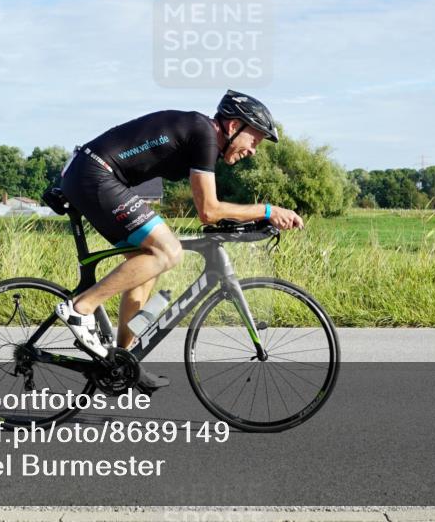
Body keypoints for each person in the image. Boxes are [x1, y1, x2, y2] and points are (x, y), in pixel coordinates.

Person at [54, 90, 304, 390]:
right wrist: (267, 210)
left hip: (93, 174)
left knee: (147, 263)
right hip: (96, 174)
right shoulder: (205, 135)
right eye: (254, 139)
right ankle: (80, 308)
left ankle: (121, 362)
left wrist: (253, 219)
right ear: (234, 125)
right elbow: (209, 211)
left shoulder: (201, 137)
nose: (253, 150)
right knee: (168, 251)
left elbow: (211, 207)